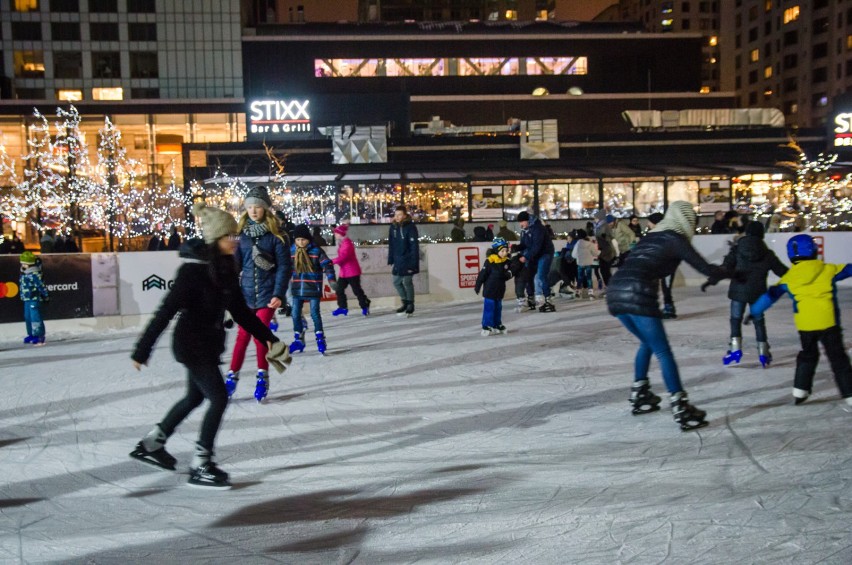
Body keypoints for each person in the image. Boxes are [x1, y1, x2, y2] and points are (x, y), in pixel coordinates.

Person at [129, 203, 291, 488]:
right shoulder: (192, 273)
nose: (235, 240)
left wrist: (271, 340)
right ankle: (201, 463)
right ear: (217, 238)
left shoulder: (227, 269)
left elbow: (241, 314)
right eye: (231, 236)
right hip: (191, 345)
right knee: (218, 397)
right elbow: (164, 312)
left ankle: (153, 443)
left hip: (208, 345)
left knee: (194, 397)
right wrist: (143, 350)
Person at [606, 201, 729, 431]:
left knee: (647, 343)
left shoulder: (651, 236)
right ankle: (680, 405)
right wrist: (731, 270)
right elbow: (705, 268)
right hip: (638, 291)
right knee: (663, 350)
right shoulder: (675, 238)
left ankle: (640, 392)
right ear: (687, 220)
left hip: (615, 291)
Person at [748, 234, 852, 406]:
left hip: (806, 326)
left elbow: (770, 296)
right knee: (838, 358)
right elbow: (849, 269)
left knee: (808, 356)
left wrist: (754, 311)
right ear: (814, 251)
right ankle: (849, 393)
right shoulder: (828, 270)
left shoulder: (789, 278)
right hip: (828, 323)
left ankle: (800, 391)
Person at [225, 186, 291, 402]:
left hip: (266, 295)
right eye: (250, 207)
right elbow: (234, 267)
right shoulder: (242, 237)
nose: (253, 211)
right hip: (245, 296)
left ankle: (262, 376)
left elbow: (284, 267)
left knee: (259, 336)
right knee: (242, 336)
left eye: (258, 207)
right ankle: (232, 376)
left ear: (265, 209)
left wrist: (279, 293)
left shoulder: (276, 237)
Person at [702, 221, 787, 367]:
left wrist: (712, 280)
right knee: (759, 321)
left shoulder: (736, 249)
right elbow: (783, 272)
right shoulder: (767, 253)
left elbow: (725, 268)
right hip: (758, 293)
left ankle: (735, 349)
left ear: (747, 233)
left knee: (735, 319)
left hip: (738, 292)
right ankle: (763, 352)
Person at [288, 224, 336, 354]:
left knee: (315, 313)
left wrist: (331, 280)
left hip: (313, 287)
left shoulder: (316, 251)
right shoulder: (292, 251)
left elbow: (327, 264)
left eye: (303, 239)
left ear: (308, 239)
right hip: (298, 288)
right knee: (295, 314)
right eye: (298, 240)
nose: (300, 242)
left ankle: (320, 338)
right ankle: (298, 339)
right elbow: (285, 267)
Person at [517, 210, 555, 312]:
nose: (521, 224)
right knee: (528, 275)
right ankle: (531, 299)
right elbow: (524, 244)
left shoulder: (538, 228)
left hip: (545, 253)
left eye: (522, 222)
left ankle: (548, 299)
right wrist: (515, 248)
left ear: (527, 220)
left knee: (541, 276)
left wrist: (526, 257)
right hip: (534, 255)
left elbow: (537, 246)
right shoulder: (525, 230)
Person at [474, 238, 513, 336]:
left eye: (505, 251)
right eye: (502, 251)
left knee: (498, 308)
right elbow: (482, 274)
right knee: (489, 308)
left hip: (499, 290)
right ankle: (487, 325)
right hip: (489, 290)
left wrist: (509, 274)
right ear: (496, 251)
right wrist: (478, 285)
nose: (504, 253)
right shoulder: (490, 261)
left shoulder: (506, 262)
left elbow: (510, 272)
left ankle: (497, 324)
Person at [331, 223, 371, 317]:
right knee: (339, 289)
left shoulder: (347, 243)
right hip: (344, 273)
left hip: (352, 271)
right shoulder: (341, 243)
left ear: (341, 234)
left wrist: (331, 261)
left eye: (336, 233)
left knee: (356, 290)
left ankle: (365, 305)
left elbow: (343, 257)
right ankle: (343, 307)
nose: (335, 235)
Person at [388, 205, 420, 317]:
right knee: (396, 282)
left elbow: (414, 245)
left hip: (408, 259)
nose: (397, 217)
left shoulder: (410, 227)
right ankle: (405, 302)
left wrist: (414, 261)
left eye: (399, 215)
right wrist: (391, 258)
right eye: (396, 215)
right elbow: (391, 244)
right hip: (398, 259)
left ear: (405, 215)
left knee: (407, 282)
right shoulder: (393, 227)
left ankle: (410, 304)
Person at [647, 212, 677, 318]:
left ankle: (669, 308)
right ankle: (658, 307)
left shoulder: (665, 233)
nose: (648, 224)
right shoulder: (655, 233)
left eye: (649, 222)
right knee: (656, 287)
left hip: (667, 265)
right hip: (657, 265)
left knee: (666, 287)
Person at [19, 251, 49, 346]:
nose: (22, 265)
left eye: (24, 263)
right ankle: (31, 334)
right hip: (27, 299)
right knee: (28, 317)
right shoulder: (24, 273)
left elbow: (41, 285)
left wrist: (45, 295)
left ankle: (39, 335)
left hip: (34, 298)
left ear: (29, 264)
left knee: (35, 317)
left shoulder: (35, 273)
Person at [572, 229, 599, 300]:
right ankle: (590, 293)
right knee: (589, 278)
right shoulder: (590, 244)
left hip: (580, 263)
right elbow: (595, 253)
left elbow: (573, 255)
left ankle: (578, 292)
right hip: (588, 263)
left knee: (580, 278)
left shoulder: (577, 244)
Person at [593, 211, 616, 288]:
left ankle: (611, 287)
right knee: (604, 270)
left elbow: (609, 237)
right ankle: (610, 286)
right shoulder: (599, 226)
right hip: (603, 250)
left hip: (606, 251)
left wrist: (604, 238)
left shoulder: (604, 226)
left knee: (605, 270)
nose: (594, 219)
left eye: (595, 218)